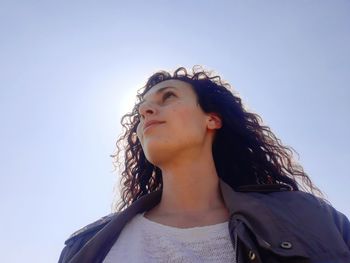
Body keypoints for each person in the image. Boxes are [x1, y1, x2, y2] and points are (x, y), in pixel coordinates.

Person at [59, 67, 350, 263]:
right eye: (141, 110)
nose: (145, 111)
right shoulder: (84, 247)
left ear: (212, 119)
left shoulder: (310, 218)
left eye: (168, 97)